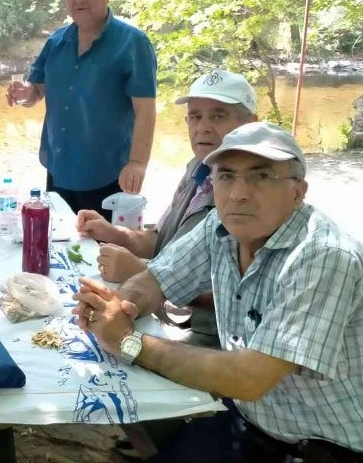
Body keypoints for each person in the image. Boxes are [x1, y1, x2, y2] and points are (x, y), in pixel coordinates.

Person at [74, 122, 363, 462]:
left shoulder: (324, 256)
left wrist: (128, 340)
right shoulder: (220, 225)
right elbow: (156, 278)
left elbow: (250, 378)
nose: (238, 193)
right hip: (248, 420)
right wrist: (119, 307)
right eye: (225, 175)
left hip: (321, 447)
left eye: (261, 176)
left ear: (298, 192)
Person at [78, 69, 258, 346]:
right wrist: (114, 233)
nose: (203, 127)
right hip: (159, 310)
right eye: (195, 116)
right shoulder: (199, 168)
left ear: (250, 125)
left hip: (207, 334)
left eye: (218, 116)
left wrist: (141, 271)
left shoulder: (255, 196)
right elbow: (160, 239)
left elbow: (243, 294)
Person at [5, 0, 157, 215]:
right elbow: (36, 91)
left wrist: (138, 163)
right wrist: (24, 92)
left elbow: (146, 111)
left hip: (108, 173)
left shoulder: (133, 43)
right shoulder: (56, 41)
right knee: (62, 243)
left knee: (100, 248)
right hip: (58, 166)